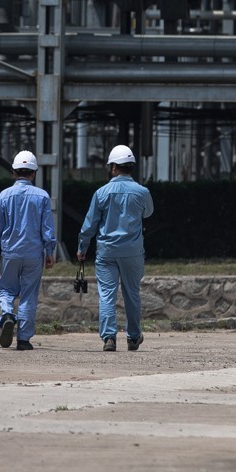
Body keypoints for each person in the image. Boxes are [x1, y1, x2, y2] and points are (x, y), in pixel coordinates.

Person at [77, 144, 155, 352]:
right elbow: (148, 213)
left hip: (107, 251)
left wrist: (82, 247)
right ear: (131, 167)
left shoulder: (101, 193)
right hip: (132, 251)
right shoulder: (142, 192)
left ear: (113, 167)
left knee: (107, 294)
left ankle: (109, 338)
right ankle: (134, 336)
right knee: (132, 293)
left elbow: (89, 224)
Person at [0, 149, 57, 351]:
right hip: (34, 254)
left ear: (14, 172)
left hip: (10, 251)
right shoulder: (42, 196)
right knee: (29, 294)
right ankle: (24, 339)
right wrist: (50, 251)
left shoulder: (4, 195)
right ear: (33, 173)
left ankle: (8, 314)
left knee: (6, 289)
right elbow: (47, 228)